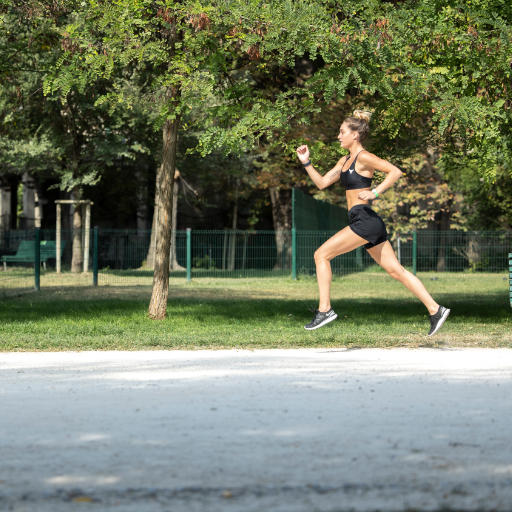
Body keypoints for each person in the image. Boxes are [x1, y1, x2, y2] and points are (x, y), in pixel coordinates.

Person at [296, 110, 450, 336]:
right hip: (364, 220)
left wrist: (375, 192)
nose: (338, 136)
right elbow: (321, 183)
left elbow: (395, 171)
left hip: (364, 219)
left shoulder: (364, 157)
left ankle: (325, 309)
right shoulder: (344, 160)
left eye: (342, 132)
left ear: (355, 135)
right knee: (396, 271)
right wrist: (306, 162)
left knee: (321, 255)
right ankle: (436, 309)